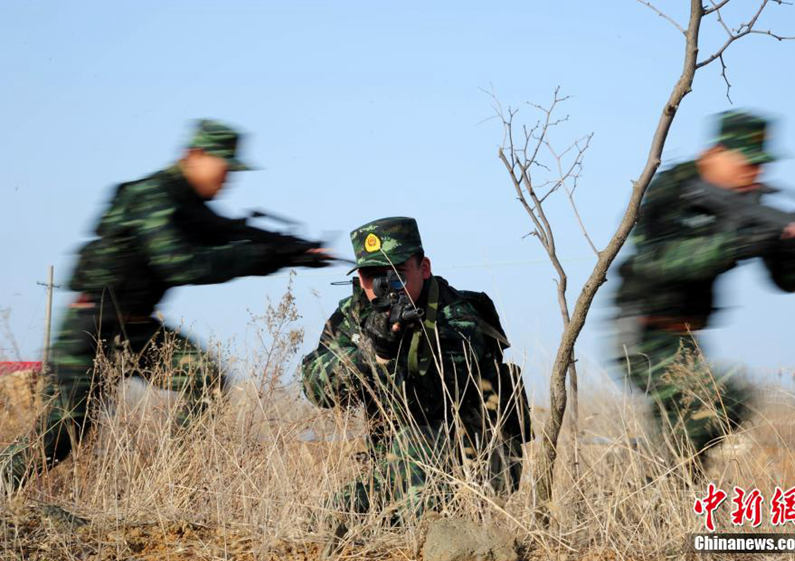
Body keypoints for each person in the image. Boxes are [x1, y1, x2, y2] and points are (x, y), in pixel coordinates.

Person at [1, 119, 332, 491]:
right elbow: (179, 262)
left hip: (138, 329)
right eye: (224, 168)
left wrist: (291, 250)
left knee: (205, 380)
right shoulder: (154, 196)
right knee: (63, 433)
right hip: (93, 326)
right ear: (195, 156)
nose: (228, 179)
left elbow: (230, 231)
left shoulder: (188, 204)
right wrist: (260, 255)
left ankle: (162, 482)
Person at [614, 110, 795, 475]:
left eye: (760, 164)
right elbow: (660, 260)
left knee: (695, 430)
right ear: (716, 152)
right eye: (747, 162)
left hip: (686, 338)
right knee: (720, 400)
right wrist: (740, 242)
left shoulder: (749, 204)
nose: (755, 172)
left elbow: (787, 282)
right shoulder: (673, 188)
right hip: (641, 329)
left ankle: (655, 497)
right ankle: (650, 482)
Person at [301, 217, 530, 521]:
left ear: (424, 268)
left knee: (414, 473)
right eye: (372, 276)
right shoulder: (354, 314)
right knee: (329, 517)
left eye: (396, 274)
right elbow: (315, 387)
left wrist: (389, 348)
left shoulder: (457, 315)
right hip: (398, 460)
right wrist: (371, 351)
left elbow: (430, 401)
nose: (384, 287)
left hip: (474, 458)